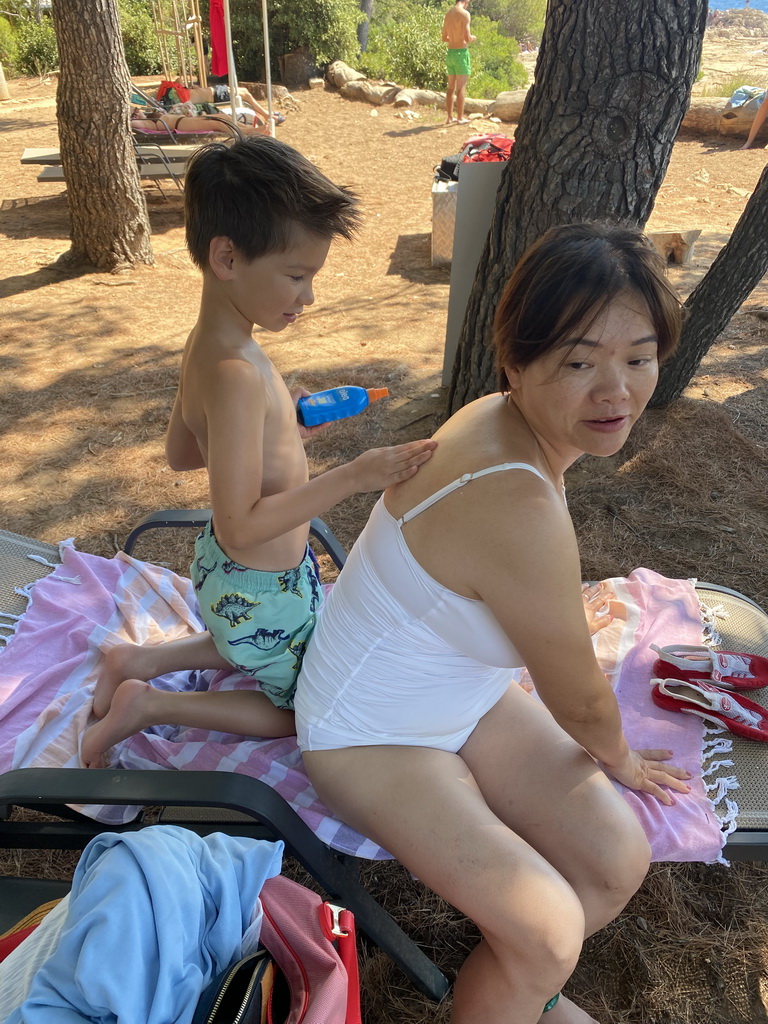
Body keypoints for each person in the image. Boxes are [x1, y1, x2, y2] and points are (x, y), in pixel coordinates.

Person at [294, 222, 692, 1024]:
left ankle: (513, 996)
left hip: (457, 696)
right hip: (369, 732)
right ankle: (527, 977)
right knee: (548, 932)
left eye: (638, 358)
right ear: (516, 362)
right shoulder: (515, 493)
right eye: (579, 362)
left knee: (617, 860)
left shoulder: (506, 418)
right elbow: (578, 701)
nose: (614, 391)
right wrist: (619, 758)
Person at [80, 137, 437, 769]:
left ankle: (134, 659)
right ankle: (148, 705)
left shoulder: (211, 345)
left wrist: (281, 435)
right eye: (296, 276)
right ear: (226, 257)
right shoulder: (238, 373)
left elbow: (183, 453)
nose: (307, 297)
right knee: (297, 708)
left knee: (257, 641)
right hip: (258, 581)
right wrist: (354, 474)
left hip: (236, 580)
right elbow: (240, 522)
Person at [442, 0, 476, 125]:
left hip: (450, 52)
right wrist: (472, 38)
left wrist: (454, 37)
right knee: (461, 87)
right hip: (461, 53)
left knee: (450, 87)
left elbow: (444, 37)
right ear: (465, 1)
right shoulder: (465, 14)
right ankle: (460, 117)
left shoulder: (448, 14)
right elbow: (467, 37)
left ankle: (449, 117)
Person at [130, 108, 269, 137]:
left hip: (184, 120)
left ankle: (249, 129)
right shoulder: (145, 123)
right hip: (181, 125)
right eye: (134, 113)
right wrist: (132, 118)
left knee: (223, 117)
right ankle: (250, 132)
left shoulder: (148, 116)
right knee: (218, 124)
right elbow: (131, 123)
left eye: (137, 109)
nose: (138, 112)